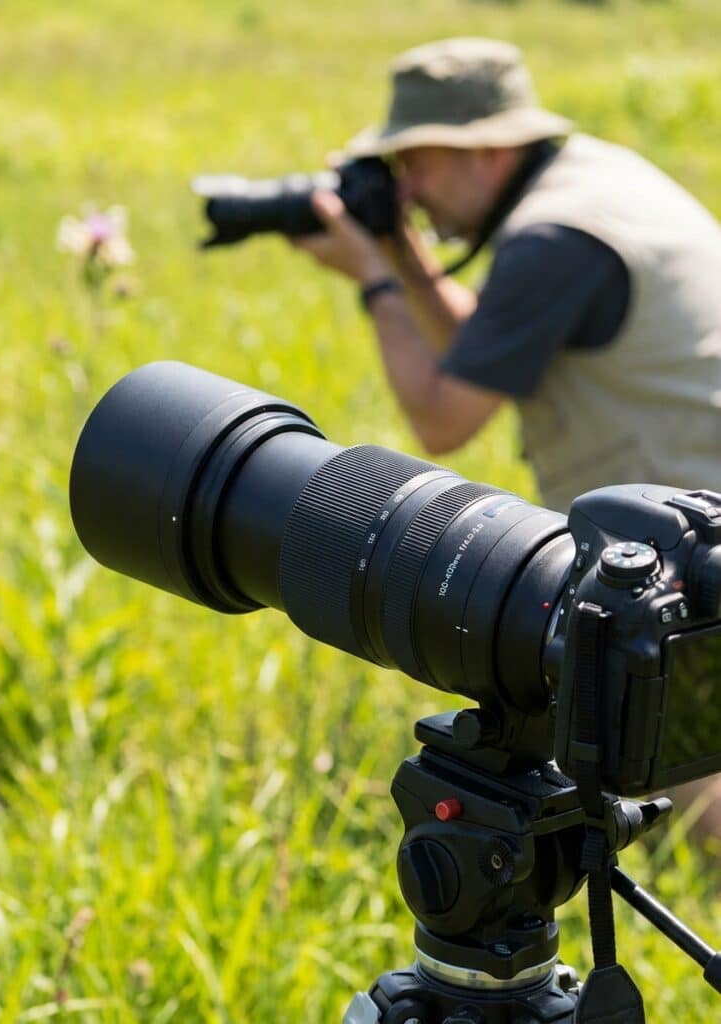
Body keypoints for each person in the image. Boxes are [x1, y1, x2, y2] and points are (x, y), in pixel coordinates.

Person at [292, 37, 721, 838]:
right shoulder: (586, 182)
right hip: (695, 486)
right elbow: (487, 342)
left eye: (415, 164)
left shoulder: (549, 242)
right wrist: (400, 253)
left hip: (686, 515)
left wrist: (377, 281)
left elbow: (444, 418)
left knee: (674, 748)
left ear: (484, 151)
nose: (407, 191)